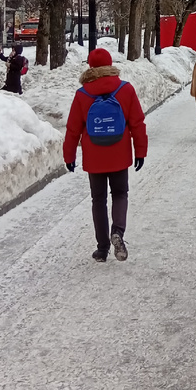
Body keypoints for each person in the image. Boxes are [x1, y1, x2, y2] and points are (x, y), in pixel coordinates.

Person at [63, 46, 147, 262]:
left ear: (90, 66)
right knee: (120, 194)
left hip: (94, 156)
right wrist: (140, 151)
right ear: (110, 65)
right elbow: (137, 123)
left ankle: (102, 249)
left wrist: (69, 156)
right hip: (119, 154)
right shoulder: (125, 89)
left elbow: (73, 129)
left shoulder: (82, 94)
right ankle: (117, 231)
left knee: (98, 199)